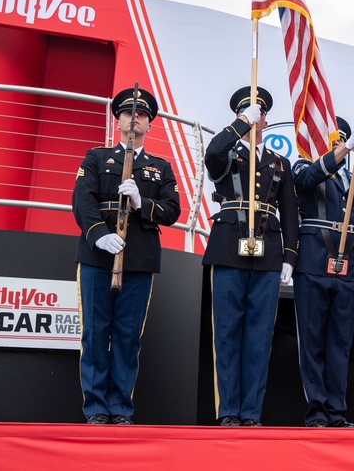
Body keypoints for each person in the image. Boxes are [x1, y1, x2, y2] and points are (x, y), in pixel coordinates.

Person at [72, 87, 181, 425]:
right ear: (117, 118)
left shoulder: (160, 167)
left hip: (137, 261)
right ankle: (95, 409)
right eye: (128, 112)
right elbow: (82, 200)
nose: (135, 118)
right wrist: (99, 236)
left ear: (150, 124)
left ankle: (120, 407)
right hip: (98, 257)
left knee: (127, 337)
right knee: (94, 333)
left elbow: (172, 210)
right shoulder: (96, 157)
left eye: (143, 115)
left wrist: (141, 204)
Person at [203, 86, 300, 427]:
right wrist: (242, 122)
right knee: (228, 332)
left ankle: (250, 413)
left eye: (259, 112)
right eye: (248, 112)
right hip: (229, 245)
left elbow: (289, 212)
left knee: (259, 336)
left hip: (269, 251)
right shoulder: (227, 152)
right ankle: (228, 410)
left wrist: (290, 256)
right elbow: (213, 151)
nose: (257, 117)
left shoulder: (279, 162)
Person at [289, 116, 354, 428]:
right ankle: (316, 412)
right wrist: (336, 155)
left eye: (342, 142)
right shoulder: (304, 168)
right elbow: (307, 180)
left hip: (349, 272)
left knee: (339, 345)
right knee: (312, 342)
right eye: (332, 142)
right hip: (313, 266)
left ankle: (337, 413)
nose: (338, 146)